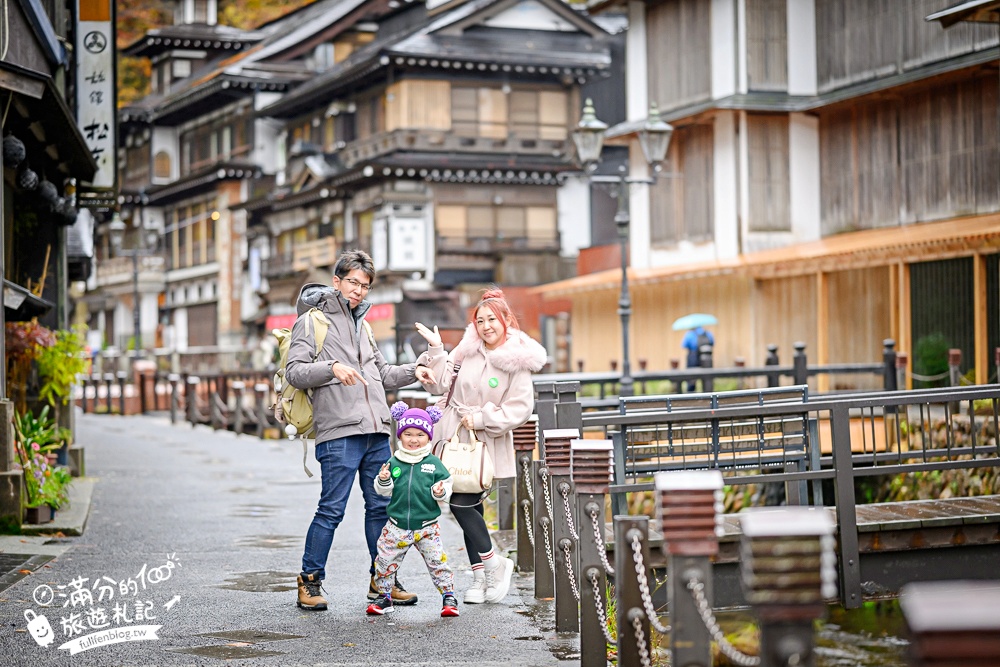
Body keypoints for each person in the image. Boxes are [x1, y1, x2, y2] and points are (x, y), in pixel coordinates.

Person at [285, 249, 438, 611]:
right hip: (339, 432)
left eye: (365, 285)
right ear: (336, 282)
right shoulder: (312, 322)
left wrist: (415, 370)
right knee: (331, 510)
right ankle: (309, 581)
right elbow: (295, 371)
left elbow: (382, 374)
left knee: (382, 508)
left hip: (376, 433)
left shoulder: (364, 325)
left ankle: (382, 581)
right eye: (352, 282)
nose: (358, 290)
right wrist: (331, 368)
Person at [415, 288, 547, 604]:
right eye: (480, 320)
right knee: (466, 504)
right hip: (453, 438)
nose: (486, 326)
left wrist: (483, 418)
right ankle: (481, 576)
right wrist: (436, 350)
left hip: (485, 442)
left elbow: (520, 408)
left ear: (506, 320)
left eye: (492, 319)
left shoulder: (516, 361)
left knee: (462, 503)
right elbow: (438, 384)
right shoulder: (467, 351)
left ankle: (493, 565)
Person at [367, 402, 459, 618]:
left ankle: (448, 596)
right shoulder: (394, 461)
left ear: (428, 437)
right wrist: (383, 479)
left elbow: (447, 487)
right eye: (408, 434)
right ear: (400, 435)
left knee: (437, 562)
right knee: (384, 561)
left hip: (427, 526)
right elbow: (383, 490)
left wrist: (439, 491)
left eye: (420, 434)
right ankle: (384, 596)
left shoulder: (433, 463)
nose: (413, 439)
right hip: (396, 525)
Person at [682, 326, 714, 392]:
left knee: (691, 380)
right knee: (707, 381)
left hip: (693, 358)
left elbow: (684, 345)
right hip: (707, 359)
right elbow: (712, 343)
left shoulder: (689, 334)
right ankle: (707, 395)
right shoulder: (708, 333)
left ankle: (691, 395)